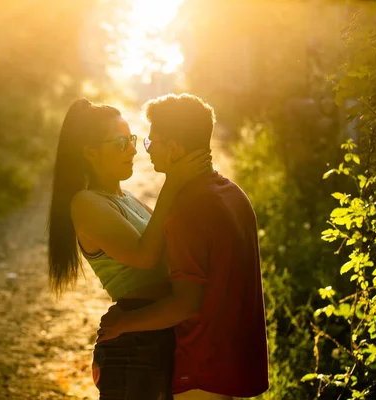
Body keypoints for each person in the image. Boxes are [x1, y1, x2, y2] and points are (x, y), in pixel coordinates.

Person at [97, 93, 270, 400]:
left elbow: (186, 304)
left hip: (201, 369)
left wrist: (124, 323)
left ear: (174, 148)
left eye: (152, 143)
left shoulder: (189, 209)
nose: (146, 151)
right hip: (233, 365)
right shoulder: (232, 194)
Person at [47, 98, 211, 400]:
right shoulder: (85, 203)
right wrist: (172, 184)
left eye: (132, 140)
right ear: (90, 153)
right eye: (121, 143)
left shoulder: (128, 199)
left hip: (160, 330)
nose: (134, 150)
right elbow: (145, 257)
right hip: (134, 344)